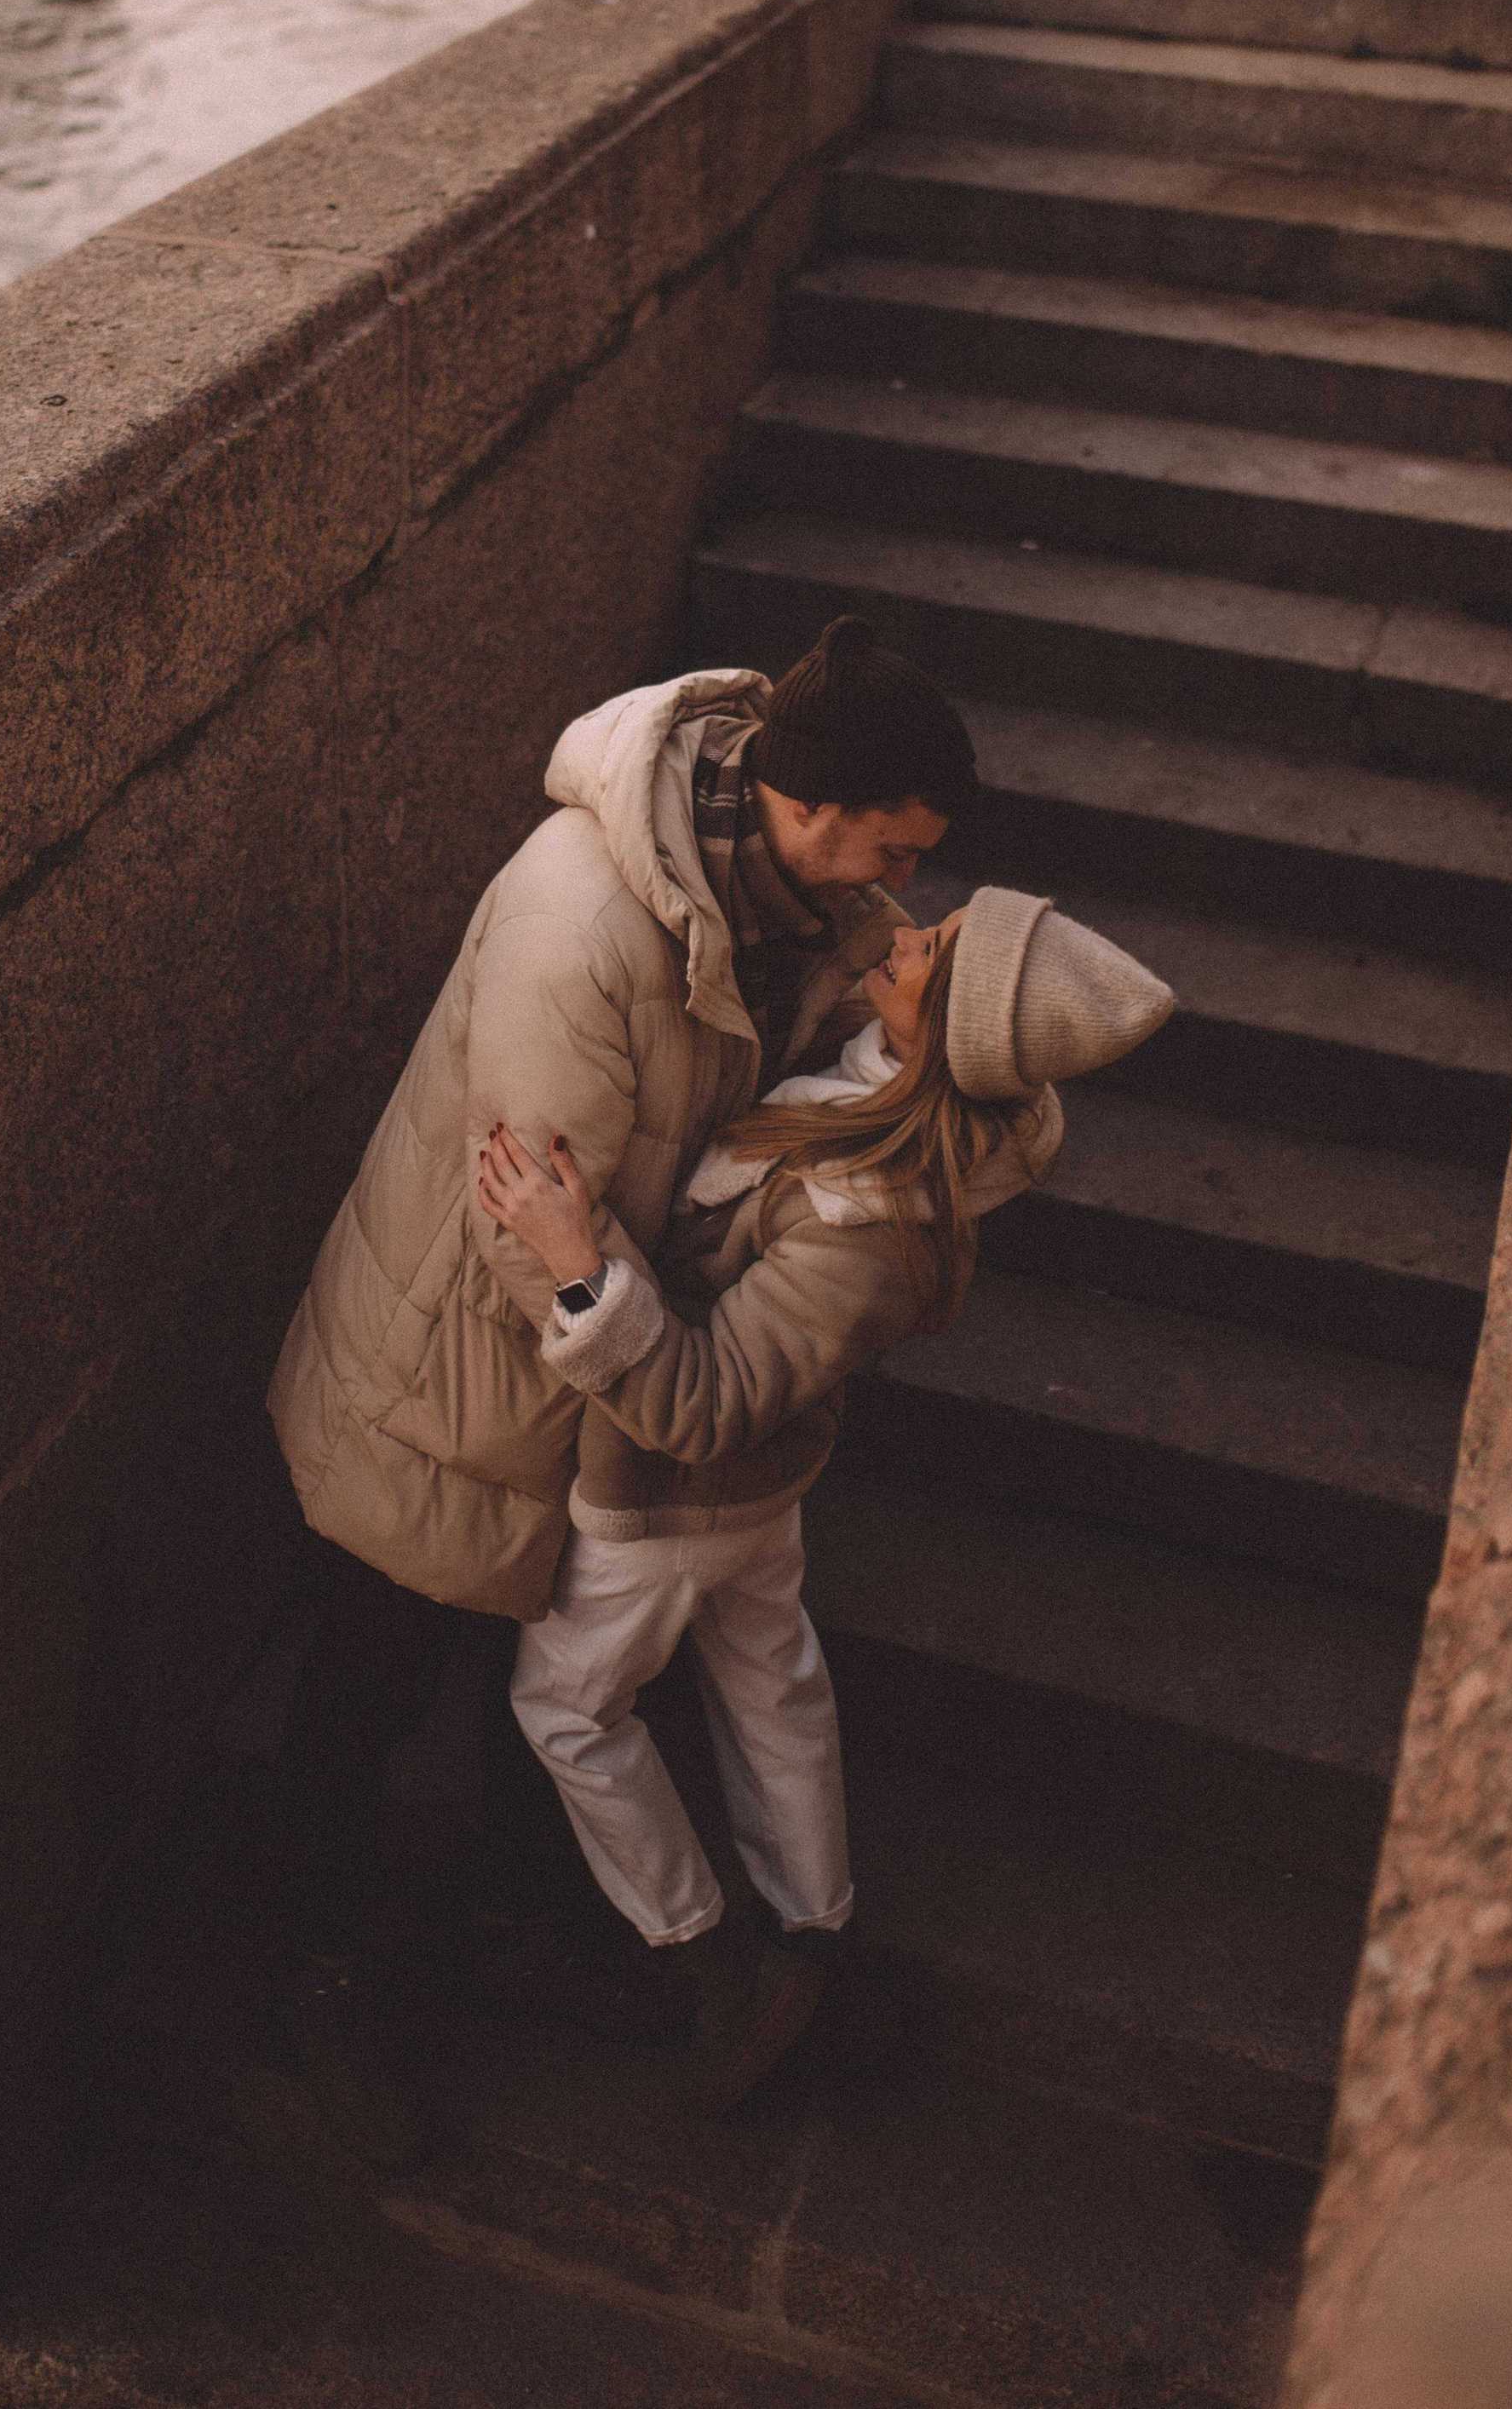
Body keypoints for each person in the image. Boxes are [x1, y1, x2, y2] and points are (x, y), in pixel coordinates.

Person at [265, 617, 980, 2165]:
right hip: (455, 1371)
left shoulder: (806, 899)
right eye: (897, 848)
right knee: (371, 1679)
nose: (906, 882)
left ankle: (532, 1927)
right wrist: (681, 1381)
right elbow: (536, 1218)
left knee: (551, 1673)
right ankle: (316, 1983)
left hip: (598, 1361)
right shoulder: (580, 925)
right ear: (812, 808)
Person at [476, 887, 1176, 2114]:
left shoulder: (867, 1222)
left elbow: (700, 1405)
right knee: (770, 1684)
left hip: (675, 1500)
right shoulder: (903, 1097)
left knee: (569, 1709)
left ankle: (711, 1962)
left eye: (929, 953)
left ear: (946, 1033)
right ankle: (817, 1930)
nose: (905, 938)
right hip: (766, 1490)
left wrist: (576, 1261)